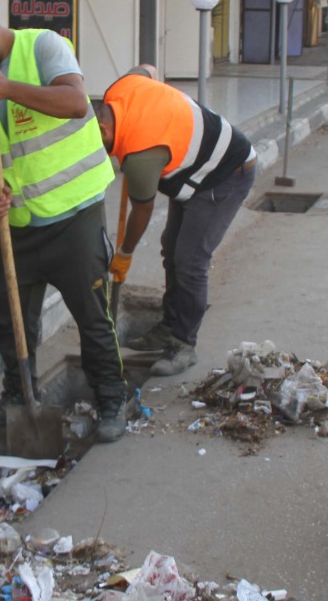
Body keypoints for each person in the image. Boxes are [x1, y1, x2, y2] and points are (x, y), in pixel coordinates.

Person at [0, 0, 128, 442]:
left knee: (92, 316)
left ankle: (111, 398)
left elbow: (75, 102)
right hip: (20, 225)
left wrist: (8, 88)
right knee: (10, 320)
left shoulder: (44, 47)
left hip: (74, 216)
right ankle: (19, 398)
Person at [95, 66, 256, 376]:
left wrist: (124, 253)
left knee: (190, 260)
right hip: (195, 164)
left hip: (226, 172)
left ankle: (184, 344)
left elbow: (142, 212)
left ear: (103, 130)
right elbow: (149, 69)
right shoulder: (121, 88)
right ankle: (170, 325)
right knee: (171, 247)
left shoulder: (141, 157)